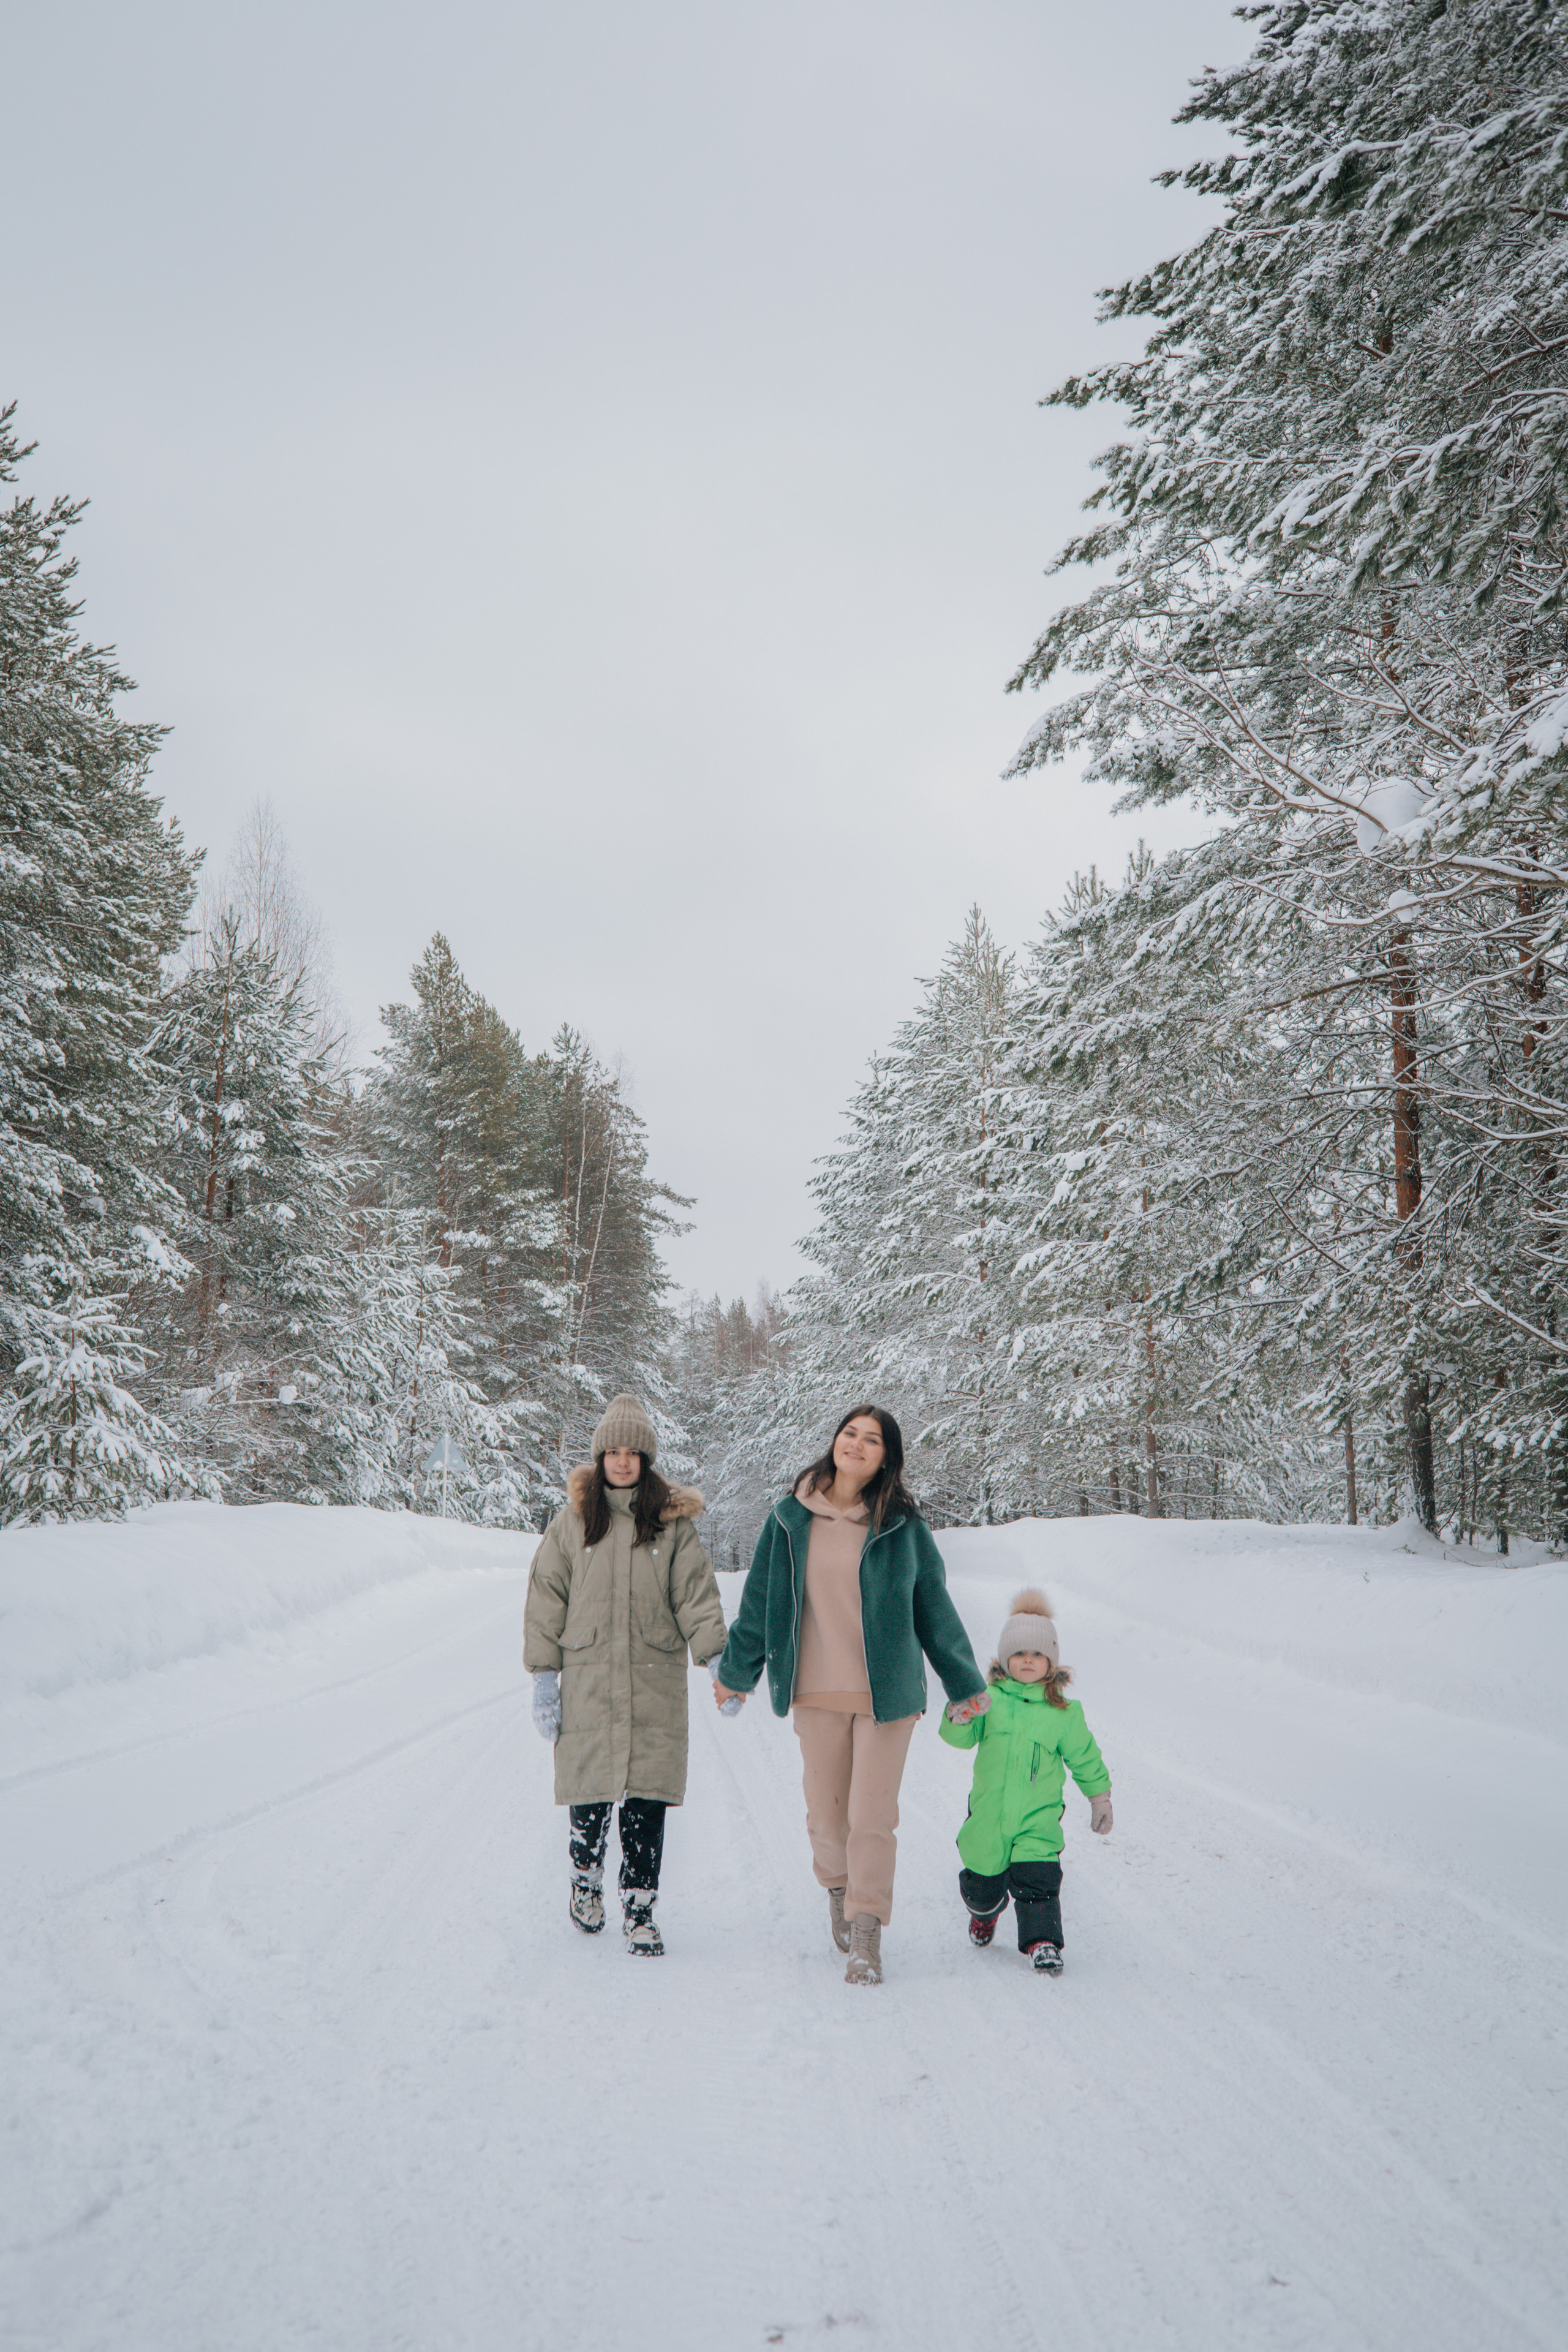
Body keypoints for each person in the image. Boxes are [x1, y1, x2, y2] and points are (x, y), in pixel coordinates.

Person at [712, 1404, 987, 1986]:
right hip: (815, 1688)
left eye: (871, 1440)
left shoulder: (902, 1527)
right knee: (826, 1817)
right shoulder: (790, 1519)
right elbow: (761, 1601)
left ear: (887, 1457)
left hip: (888, 1695)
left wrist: (962, 1682)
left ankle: (867, 1930)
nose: (856, 1445)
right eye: (849, 1434)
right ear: (834, 1442)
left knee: (872, 1818)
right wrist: (738, 1671)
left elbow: (933, 1607)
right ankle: (837, 1887)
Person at [524, 1393, 727, 1956]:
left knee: (646, 1800)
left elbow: (696, 1596)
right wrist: (544, 1675)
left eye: (631, 1451)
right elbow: (546, 1597)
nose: (620, 1460)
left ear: (646, 1459)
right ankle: (584, 1884)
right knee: (589, 1792)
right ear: (599, 1455)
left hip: (651, 1677)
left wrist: (717, 1661)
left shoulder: (671, 1525)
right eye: (611, 1450)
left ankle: (640, 1909)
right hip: (588, 1678)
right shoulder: (572, 1523)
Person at [939, 1587, 1112, 1975]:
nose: (1028, 1661)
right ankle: (985, 1914)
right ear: (1005, 1659)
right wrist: (959, 1715)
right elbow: (958, 1739)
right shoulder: (987, 1699)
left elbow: (1085, 1756)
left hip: (1038, 1818)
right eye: (1019, 1654)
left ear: (1051, 1661)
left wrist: (1100, 1797)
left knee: (1039, 1879)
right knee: (981, 1887)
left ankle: (1043, 1941)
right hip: (988, 1816)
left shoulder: (1063, 1712)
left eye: (1037, 1654)